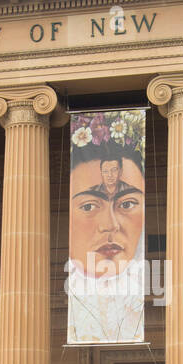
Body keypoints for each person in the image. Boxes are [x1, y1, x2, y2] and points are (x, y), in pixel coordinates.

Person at [66, 109, 147, 344]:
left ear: (120, 171)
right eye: (90, 207)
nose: (110, 226)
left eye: (128, 204)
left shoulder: (128, 187)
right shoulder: (95, 190)